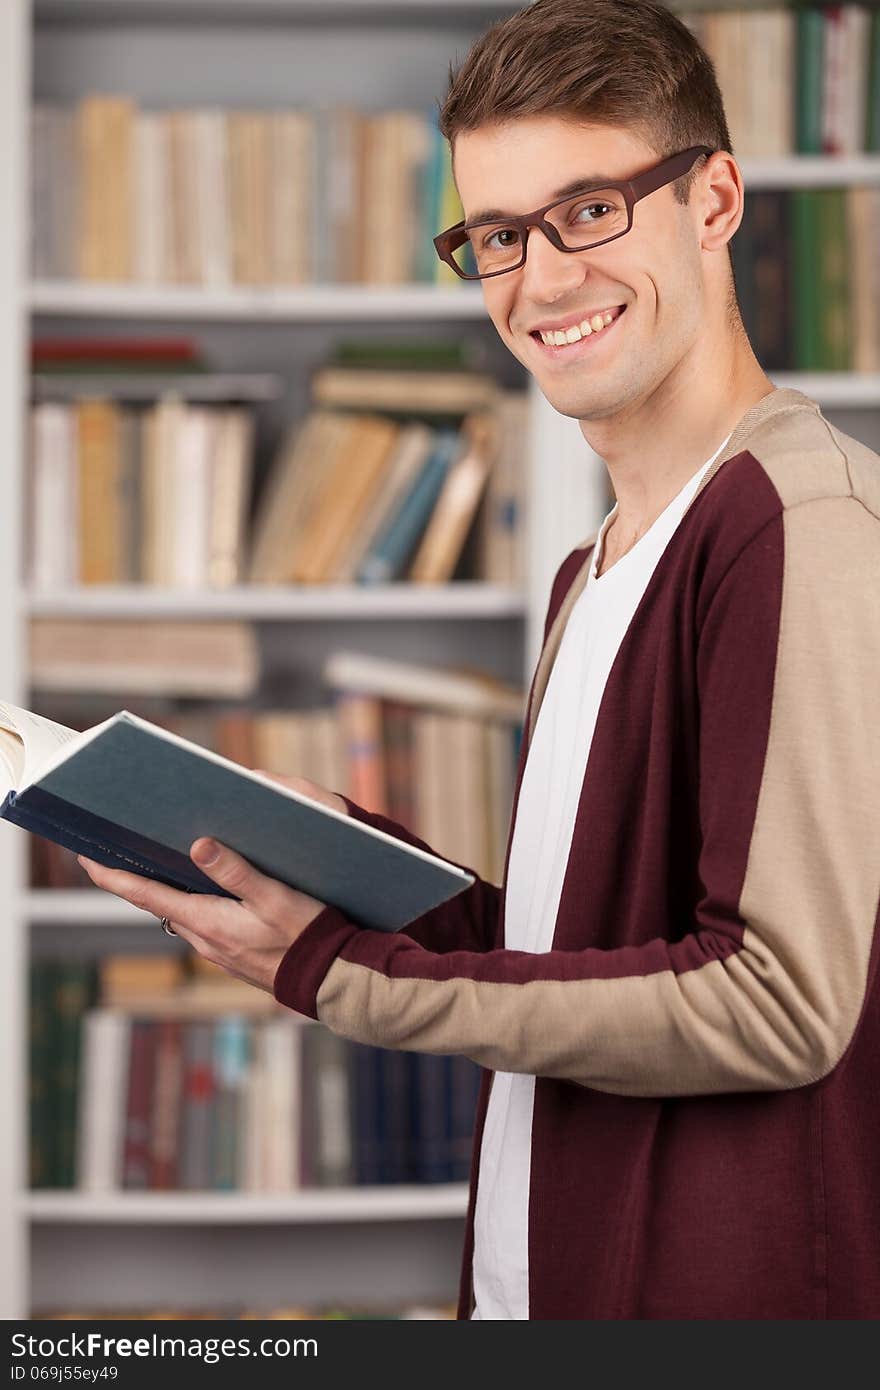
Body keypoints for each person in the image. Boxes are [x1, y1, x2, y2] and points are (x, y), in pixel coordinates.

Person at [80, 0, 880, 1319]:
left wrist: (351, 977)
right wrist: (334, 864)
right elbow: (587, 949)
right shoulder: (594, 566)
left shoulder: (794, 522)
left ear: (716, 197)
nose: (541, 280)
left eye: (590, 211)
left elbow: (774, 1002)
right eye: (498, 234)